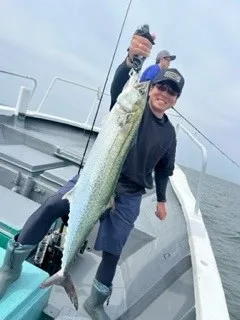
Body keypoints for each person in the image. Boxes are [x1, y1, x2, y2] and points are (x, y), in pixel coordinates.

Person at [0, 31, 185, 320]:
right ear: (151, 89)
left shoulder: (170, 135)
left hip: (130, 193)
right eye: (160, 87)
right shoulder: (129, 107)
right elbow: (121, 83)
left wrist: (161, 200)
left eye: (171, 92)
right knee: (51, 205)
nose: (163, 94)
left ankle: (95, 303)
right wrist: (131, 60)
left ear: (175, 100)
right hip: (96, 177)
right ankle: (11, 268)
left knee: (114, 249)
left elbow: (164, 169)